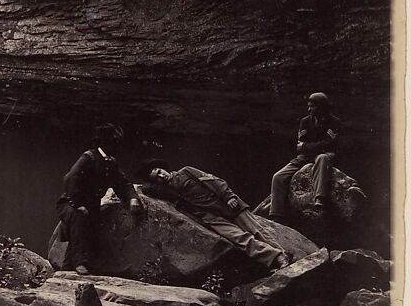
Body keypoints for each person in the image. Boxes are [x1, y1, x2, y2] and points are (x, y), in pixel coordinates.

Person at [141, 160, 290, 270]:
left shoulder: (186, 171)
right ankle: (275, 258)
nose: (162, 175)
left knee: (257, 231)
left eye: (160, 171)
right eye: (157, 177)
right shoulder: (167, 191)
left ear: (164, 168)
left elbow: (215, 181)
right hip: (211, 218)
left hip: (227, 204)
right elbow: (146, 189)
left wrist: (229, 197)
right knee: (240, 239)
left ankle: (284, 256)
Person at [56, 124, 142, 275]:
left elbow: (123, 184)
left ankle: (67, 268)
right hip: (70, 203)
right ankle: (79, 263)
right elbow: (69, 179)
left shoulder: (110, 163)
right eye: (114, 142)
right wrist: (78, 204)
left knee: (97, 230)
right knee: (79, 217)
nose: (117, 146)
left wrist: (132, 198)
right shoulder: (89, 157)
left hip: (92, 206)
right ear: (105, 142)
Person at [268, 92, 341, 220]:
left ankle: (319, 199)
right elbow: (299, 146)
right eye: (309, 106)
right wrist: (316, 146)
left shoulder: (334, 122)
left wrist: (307, 146)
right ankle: (276, 214)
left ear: (321, 107)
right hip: (305, 157)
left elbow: (328, 143)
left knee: (323, 158)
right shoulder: (305, 121)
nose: (309, 109)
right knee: (278, 177)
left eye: (312, 106)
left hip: (322, 156)